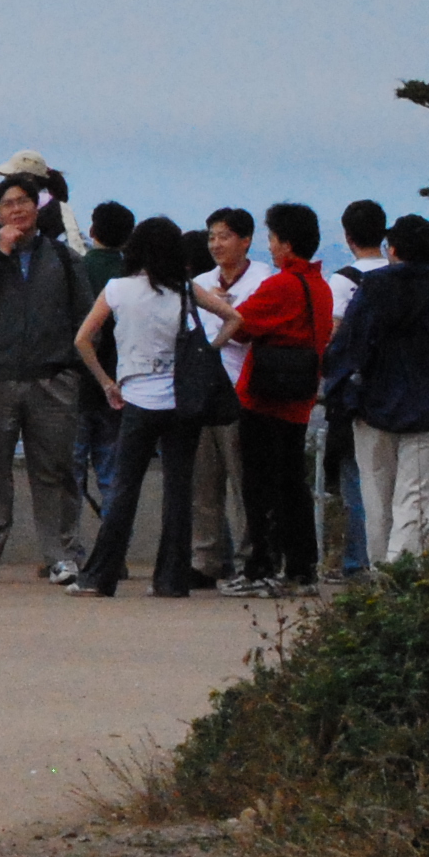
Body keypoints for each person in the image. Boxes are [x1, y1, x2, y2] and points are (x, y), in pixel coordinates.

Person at [68, 213, 234, 597]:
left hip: (136, 400)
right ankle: (171, 580)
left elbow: (83, 339)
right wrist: (206, 351)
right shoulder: (186, 291)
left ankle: (100, 576)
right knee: (178, 492)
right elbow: (232, 318)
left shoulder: (117, 289)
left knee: (124, 489)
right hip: (180, 402)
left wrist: (107, 382)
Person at [0, 170, 90, 584]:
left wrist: (72, 372)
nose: (17, 210)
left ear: (36, 208)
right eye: (8, 204)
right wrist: (0, 253)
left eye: (23, 202)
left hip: (52, 380)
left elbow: (86, 317)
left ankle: (61, 556)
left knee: (55, 473)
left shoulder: (64, 258)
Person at [323, 215, 429, 565]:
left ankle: (379, 573)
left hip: (372, 406)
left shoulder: (372, 289)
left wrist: (341, 395)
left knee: (376, 502)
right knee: (415, 500)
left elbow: (347, 347)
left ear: (393, 249)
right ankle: (402, 575)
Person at [216, 203, 334, 595]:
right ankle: (301, 568)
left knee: (260, 488)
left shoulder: (281, 285)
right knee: (293, 486)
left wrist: (216, 301)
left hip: (265, 399)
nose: (269, 246)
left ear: (286, 243)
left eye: (272, 239)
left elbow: (240, 326)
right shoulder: (319, 286)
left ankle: (261, 568)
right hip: (299, 399)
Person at [184, 208, 266, 585]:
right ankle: (205, 558)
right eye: (212, 237)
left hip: (244, 391)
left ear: (245, 240)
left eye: (224, 236)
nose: (216, 244)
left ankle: (250, 557)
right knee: (203, 482)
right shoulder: (199, 283)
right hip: (203, 392)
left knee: (244, 481)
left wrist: (225, 312)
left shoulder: (264, 279)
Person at [325, 198, 391, 577]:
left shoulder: (343, 280)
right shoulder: (395, 275)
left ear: (348, 236)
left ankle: (357, 561)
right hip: (394, 390)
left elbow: (332, 335)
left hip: (353, 393)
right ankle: (391, 559)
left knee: (356, 480)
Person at [72, 199, 138, 523]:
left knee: (70, 474)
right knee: (112, 474)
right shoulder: (134, 277)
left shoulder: (76, 269)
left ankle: (67, 546)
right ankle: (114, 545)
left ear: (92, 230)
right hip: (121, 386)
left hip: (75, 384)